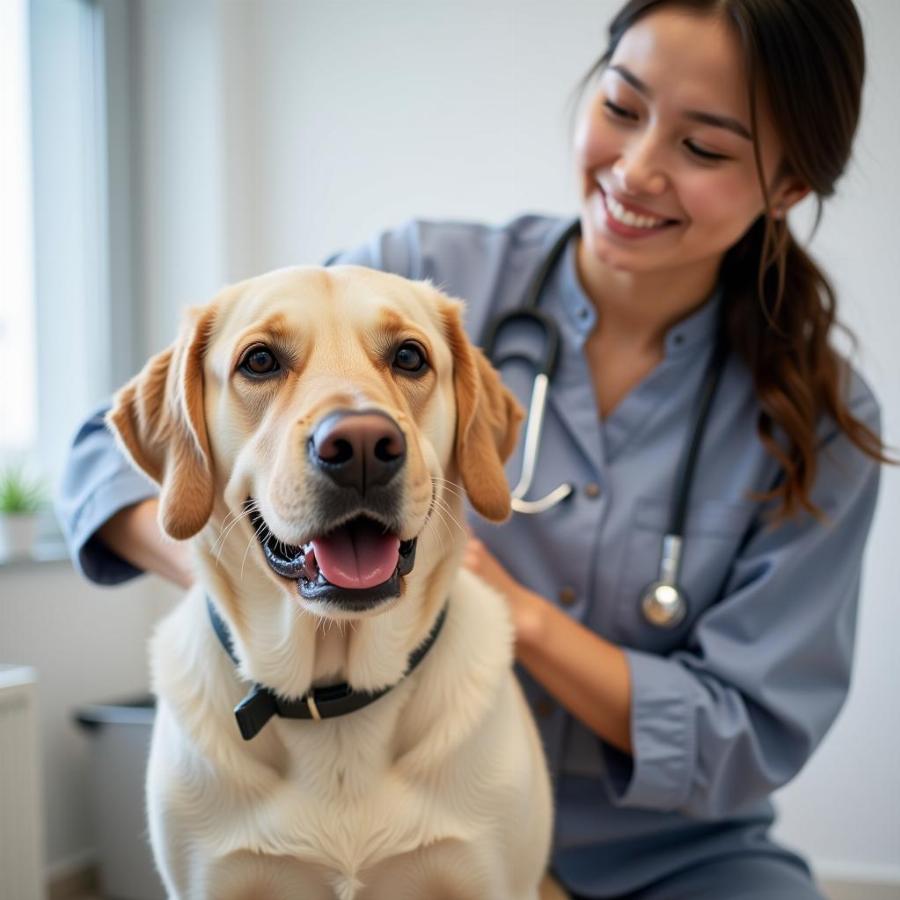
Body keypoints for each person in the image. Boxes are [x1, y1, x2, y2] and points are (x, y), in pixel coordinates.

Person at [57, 0, 892, 897]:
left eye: (706, 148)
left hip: (672, 854)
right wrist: (271, 566)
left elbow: (751, 734)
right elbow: (108, 458)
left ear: (789, 187)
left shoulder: (822, 419)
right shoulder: (408, 276)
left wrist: (511, 613)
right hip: (348, 770)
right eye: (621, 106)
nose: (638, 167)